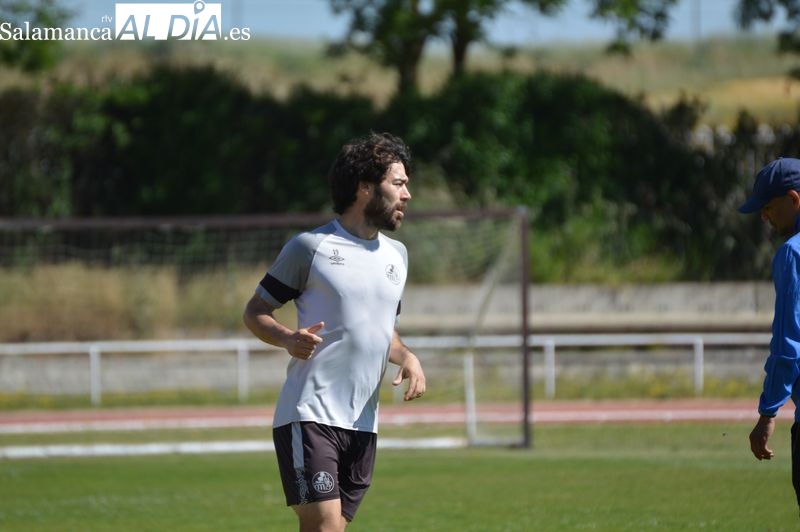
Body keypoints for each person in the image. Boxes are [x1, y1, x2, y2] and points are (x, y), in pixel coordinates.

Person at [243, 131, 426, 531]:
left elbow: (383, 331)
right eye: (398, 183)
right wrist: (287, 339)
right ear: (364, 187)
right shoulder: (311, 248)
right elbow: (255, 311)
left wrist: (407, 356)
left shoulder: (397, 256)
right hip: (309, 415)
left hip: (362, 423)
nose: (407, 194)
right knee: (325, 526)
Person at [740, 157, 800, 514]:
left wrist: (768, 412)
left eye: (768, 206)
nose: (764, 216)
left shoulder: (793, 254)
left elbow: (789, 343)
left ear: (793, 199)